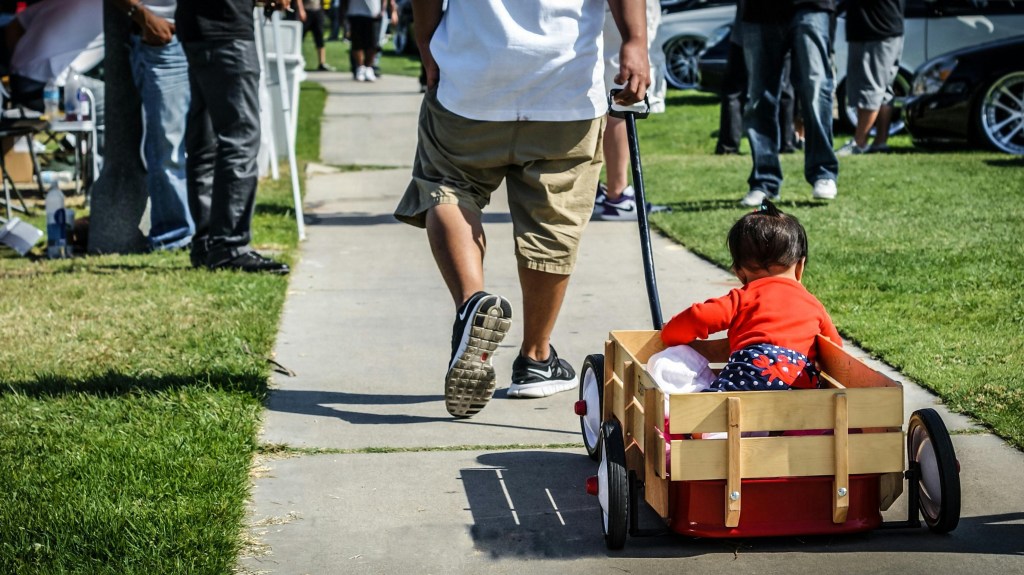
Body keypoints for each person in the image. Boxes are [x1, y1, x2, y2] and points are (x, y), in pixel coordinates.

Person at [394, 0, 650, 417]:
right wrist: (635, 41)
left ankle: (472, 303)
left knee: (448, 188)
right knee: (553, 223)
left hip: (471, 78)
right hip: (563, 85)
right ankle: (535, 359)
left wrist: (426, 42)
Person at [661, 200, 842, 391]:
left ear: (739, 272)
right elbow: (835, 351)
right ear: (800, 266)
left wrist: (669, 334)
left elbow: (699, 316)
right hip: (800, 388)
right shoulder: (813, 305)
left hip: (749, 380)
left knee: (703, 406)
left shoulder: (743, 298)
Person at [177, 0, 290, 274]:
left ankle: (209, 242)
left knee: (207, 142)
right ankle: (228, 246)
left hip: (199, 28)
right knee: (239, 139)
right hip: (225, 30)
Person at [110, 0, 195, 252]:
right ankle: (174, 236)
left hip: (205, 36)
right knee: (168, 146)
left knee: (201, 144)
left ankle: (202, 230)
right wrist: (144, 17)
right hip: (164, 39)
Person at [740, 0, 839, 207]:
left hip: (811, 4)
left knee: (815, 85)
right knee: (758, 98)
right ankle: (764, 182)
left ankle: (823, 172)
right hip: (758, 10)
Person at [593, 0, 666, 221]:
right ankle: (617, 196)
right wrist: (636, 40)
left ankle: (595, 191)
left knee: (599, 94)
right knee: (621, 99)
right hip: (621, 10)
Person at [837, 0, 905, 156]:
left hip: (878, 28)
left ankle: (859, 143)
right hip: (873, 27)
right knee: (882, 90)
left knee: (871, 88)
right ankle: (880, 142)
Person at [343, 0, 394, 82]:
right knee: (357, 43)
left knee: (373, 44)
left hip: (373, 13)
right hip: (355, 12)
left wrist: (382, 11)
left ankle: (368, 68)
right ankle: (360, 67)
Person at [294, 0, 333, 71]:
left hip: (317, 10)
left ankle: (322, 63)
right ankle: (296, 61)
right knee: (299, 38)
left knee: (320, 37)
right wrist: (301, 9)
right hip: (306, 9)